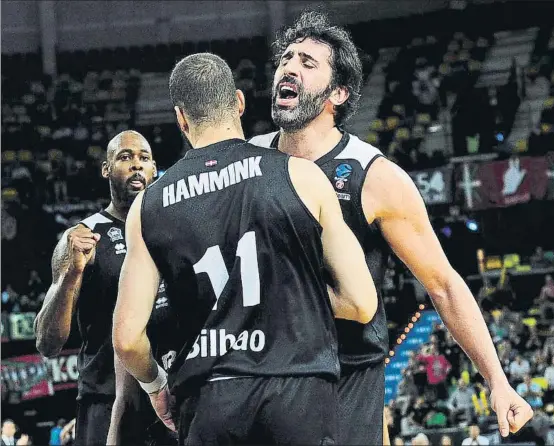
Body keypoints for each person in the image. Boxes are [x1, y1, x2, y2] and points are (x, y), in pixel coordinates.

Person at [249, 9, 533, 442]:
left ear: (338, 92)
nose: (289, 67)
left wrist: (497, 381)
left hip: (342, 380)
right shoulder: (246, 161)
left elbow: (444, 285)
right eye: (287, 58)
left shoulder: (374, 176)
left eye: (308, 63)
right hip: (257, 373)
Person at [112, 53, 377, 445]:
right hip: (296, 391)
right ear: (238, 102)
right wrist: (283, 298)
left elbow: (126, 338)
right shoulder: (301, 175)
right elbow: (360, 302)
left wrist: (156, 388)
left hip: (209, 399)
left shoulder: (147, 207)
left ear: (181, 119)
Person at [34, 131, 177, 445]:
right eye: (125, 157)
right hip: (106, 397)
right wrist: (71, 275)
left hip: (171, 394)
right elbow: (47, 343)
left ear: (154, 168)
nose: (136, 166)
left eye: (143, 158)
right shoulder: (83, 236)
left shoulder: (175, 231)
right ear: (106, 169)